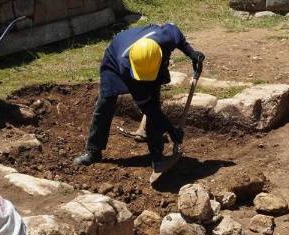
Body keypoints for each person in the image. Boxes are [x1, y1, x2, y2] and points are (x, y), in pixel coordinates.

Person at [73, 22, 205, 174]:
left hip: (151, 62)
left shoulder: (167, 36)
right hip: (115, 60)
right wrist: (170, 128)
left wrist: (191, 53)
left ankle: (157, 157)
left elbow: (177, 34)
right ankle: (93, 151)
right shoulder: (124, 66)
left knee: (154, 100)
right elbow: (148, 109)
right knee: (106, 102)